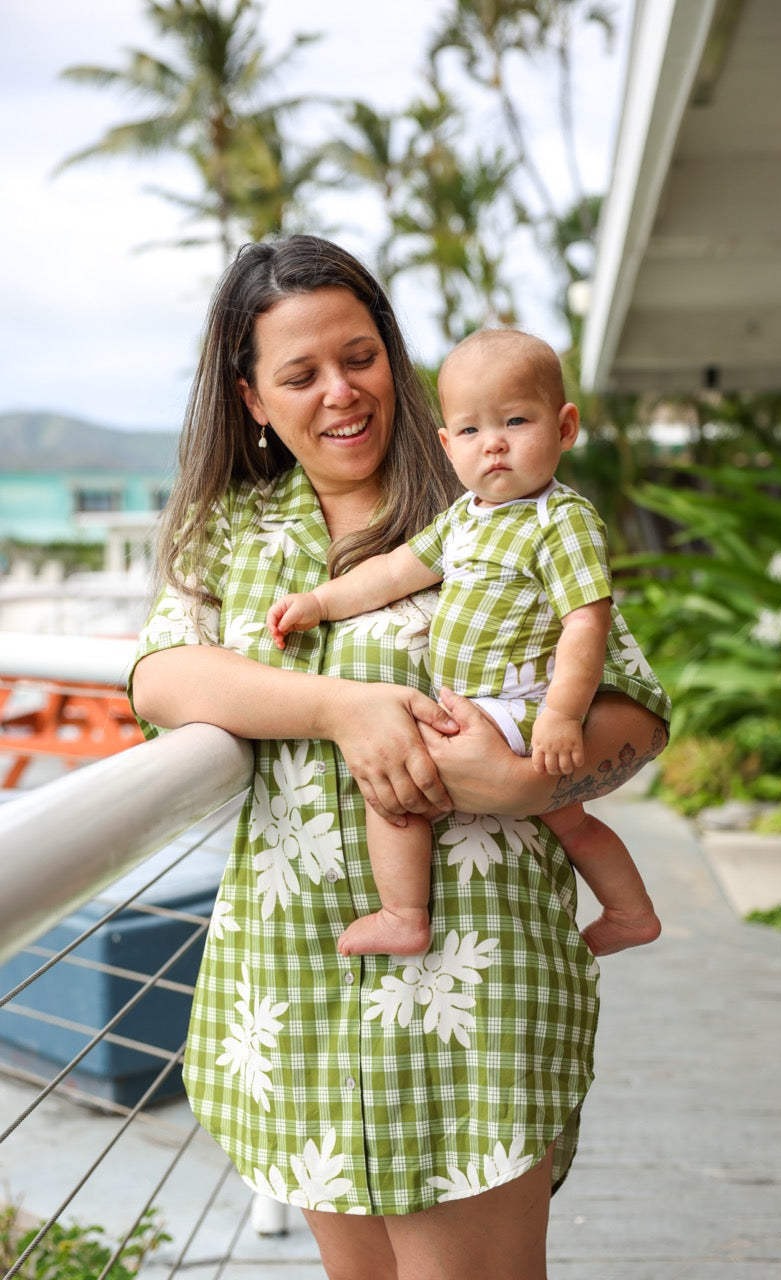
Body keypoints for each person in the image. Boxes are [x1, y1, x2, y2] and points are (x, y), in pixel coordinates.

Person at [130, 234, 669, 1280]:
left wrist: (526, 779)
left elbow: (632, 713)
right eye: (299, 373)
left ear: (394, 356)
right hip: (299, 978)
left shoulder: (491, 504)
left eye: (359, 355)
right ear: (250, 398)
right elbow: (161, 677)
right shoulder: (229, 533)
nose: (339, 391)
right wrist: (341, 707)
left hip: (471, 978)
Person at [266, 327, 666, 961]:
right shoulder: (462, 517)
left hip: (524, 703)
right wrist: (321, 602)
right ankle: (631, 912)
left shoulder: (560, 518)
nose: (496, 444)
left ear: (564, 428)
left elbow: (586, 622)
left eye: (515, 420)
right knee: (573, 823)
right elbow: (395, 570)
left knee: (395, 781)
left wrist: (561, 716)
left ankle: (403, 912)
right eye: (473, 432)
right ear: (449, 445)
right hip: (486, 706)